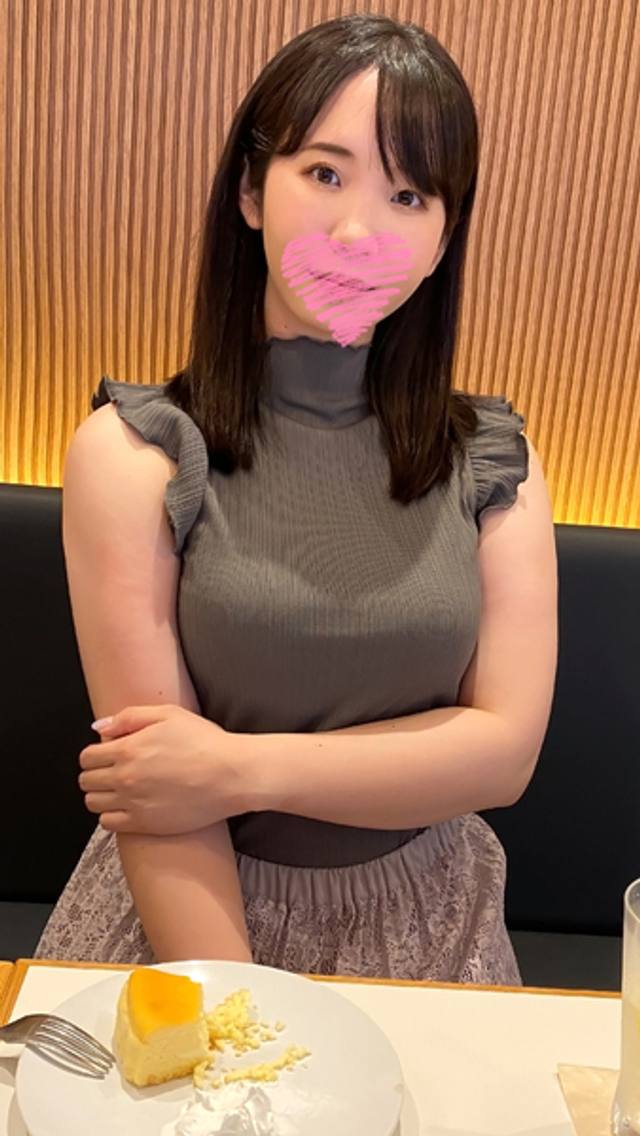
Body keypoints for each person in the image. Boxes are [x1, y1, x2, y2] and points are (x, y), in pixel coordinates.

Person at [34, 13, 558, 983]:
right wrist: (240, 1017)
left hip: (431, 917)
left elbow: (503, 755)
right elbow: (157, 793)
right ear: (250, 190)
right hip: (192, 916)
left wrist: (234, 767)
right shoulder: (133, 453)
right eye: (324, 173)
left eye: (408, 194)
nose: (359, 231)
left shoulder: (493, 461)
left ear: (443, 239)